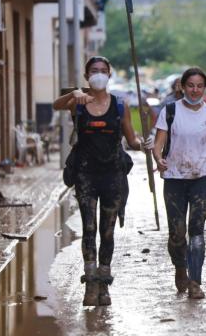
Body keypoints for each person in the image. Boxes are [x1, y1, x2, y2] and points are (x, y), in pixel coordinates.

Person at [53, 56, 151, 306]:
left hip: (113, 176)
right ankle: (90, 283)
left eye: (103, 71)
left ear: (110, 75)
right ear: (87, 76)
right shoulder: (78, 103)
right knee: (88, 228)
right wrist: (75, 94)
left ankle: (104, 284)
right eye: (94, 71)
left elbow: (131, 141)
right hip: (85, 175)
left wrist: (145, 145)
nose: (99, 74)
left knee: (107, 232)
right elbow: (56, 104)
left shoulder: (120, 105)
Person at [152, 67, 206, 299]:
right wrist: (158, 158)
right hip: (174, 179)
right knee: (177, 232)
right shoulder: (170, 111)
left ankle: (195, 281)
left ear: (205, 88)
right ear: (182, 87)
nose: (195, 90)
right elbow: (158, 143)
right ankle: (180, 268)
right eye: (190, 85)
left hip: (202, 178)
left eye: (199, 86)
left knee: (196, 232)